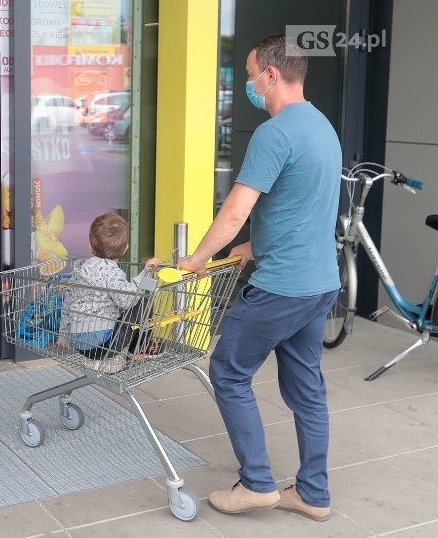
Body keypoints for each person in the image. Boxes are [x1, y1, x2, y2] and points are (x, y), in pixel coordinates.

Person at [177, 34, 341, 521]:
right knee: (307, 388)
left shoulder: (275, 133)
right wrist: (255, 246)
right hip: (319, 282)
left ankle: (257, 485)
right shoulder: (322, 127)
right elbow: (304, 204)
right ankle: (313, 493)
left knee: (227, 371)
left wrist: (197, 259)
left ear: (271, 75)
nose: (248, 84)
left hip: (283, 287)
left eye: (250, 75)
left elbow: (235, 210)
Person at [57, 212, 160, 373]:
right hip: (104, 345)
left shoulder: (79, 272)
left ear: (90, 246)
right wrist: (146, 273)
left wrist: (63, 336)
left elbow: (68, 306)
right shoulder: (112, 273)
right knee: (145, 295)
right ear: (125, 249)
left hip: (79, 343)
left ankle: (131, 349)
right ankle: (138, 347)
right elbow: (127, 301)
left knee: (131, 296)